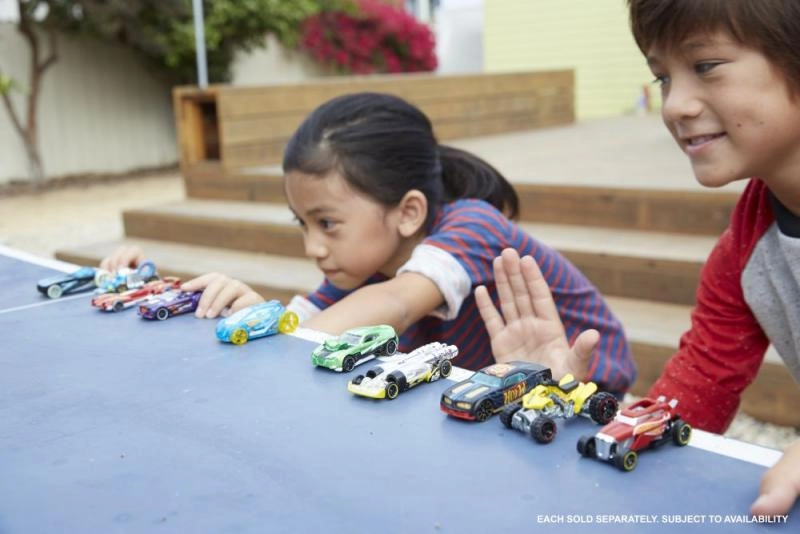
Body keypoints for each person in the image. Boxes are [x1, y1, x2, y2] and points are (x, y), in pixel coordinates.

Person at [476, 0, 800, 516]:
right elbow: (697, 391)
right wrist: (568, 405)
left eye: (706, 66)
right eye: (663, 77)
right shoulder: (745, 248)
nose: (675, 106)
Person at [101, 92, 636, 390]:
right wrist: (249, 314)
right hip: (506, 395)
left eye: (327, 223)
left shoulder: (473, 226)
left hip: (592, 386)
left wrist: (282, 339)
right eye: (302, 223)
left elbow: (396, 304)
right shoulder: (357, 273)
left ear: (408, 212)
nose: (313, 247)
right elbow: (303, 331)